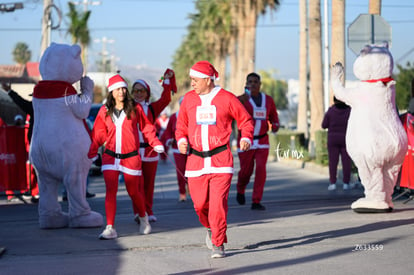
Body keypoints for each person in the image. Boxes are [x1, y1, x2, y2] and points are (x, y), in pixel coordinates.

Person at [175, 60, 254, 258]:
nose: (191, 83)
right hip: (196, 161)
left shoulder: (226, 98)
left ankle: (218, 243)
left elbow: (245, 120)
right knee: (200, 205)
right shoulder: (188, 100)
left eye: (195, 80)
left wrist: (246, 137)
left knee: (218, 204)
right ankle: (210, 227)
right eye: (191, 79)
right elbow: (181, 126)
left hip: (221, 160)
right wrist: (181, 140)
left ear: (207, 80)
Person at [88, 74, 165, 239]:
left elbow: (147, 128)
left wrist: (155, 142)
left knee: (133, 192)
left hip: (131, 157)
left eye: (123, 88)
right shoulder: (104, 111)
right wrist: (93, 151)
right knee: (111, 190)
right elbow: (98, 133)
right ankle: (110, 227)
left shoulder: (135, 108)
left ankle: (143, 218)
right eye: (117, 89)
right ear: (111, 92)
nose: (121, 91)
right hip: (110, 157)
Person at [131, 69, 175, 223]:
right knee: (137, 185)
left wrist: (167, 82)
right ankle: (138, 212)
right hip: (133, 152)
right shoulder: (127, 107)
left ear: (146, 92)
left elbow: (165, 99)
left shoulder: (151, 108)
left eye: (141, 90)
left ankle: (148, 211)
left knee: (149, 185)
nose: (138, 93)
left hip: (150, 151)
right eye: (135, 91)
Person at [236, 73, 280, 210]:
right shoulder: (241, 100)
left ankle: (256, 201)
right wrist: (242, 99)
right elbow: (230, 113)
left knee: (261, 169)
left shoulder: (268, 100)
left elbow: (273, 116)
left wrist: (275, 124)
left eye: (255, 82)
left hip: (262, 140)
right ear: (246, 83)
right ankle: (241, 188)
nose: (253, 84)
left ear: (260, 84)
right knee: (246, 171)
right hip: (246, 141)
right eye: (250, 81)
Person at [1, 83, 39, 203]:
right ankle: (36, 192)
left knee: (38, 170)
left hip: (37, 144)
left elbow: (22, 103)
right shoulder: (37, 108)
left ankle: (38, 193)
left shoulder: (37, 108)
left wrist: (11, 92)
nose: (33, 98)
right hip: (33, 144)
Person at [321, 96, 352, 191]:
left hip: (333, 139)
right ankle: (346, 183)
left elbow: (324, 125)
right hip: (346, 139)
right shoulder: (350, 111)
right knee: (346, 162)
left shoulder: (331, 111)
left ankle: (333, 183)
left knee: (333, 162)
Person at [163, 96, 188, 201]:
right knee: (181, 171)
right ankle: (182, 193)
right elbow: (167, 131)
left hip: (193, 149)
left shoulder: (193, 115)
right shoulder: (174, 117)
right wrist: (169, 140)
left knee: (192, 171)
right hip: (177, 149)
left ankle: (193, 190)